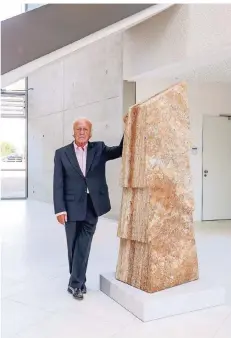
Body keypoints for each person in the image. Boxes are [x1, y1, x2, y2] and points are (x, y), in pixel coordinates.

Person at [53, 118, 123, 300]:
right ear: (73, 132)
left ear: (90, 133)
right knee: (73, 247)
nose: (82, 132)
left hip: (92, 205)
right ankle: (78, 281)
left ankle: (75, 284)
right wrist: (59, 209)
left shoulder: (99, 149)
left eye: (85, 129)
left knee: (83, 245)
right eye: (78, 129)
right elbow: (58, 184)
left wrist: (129, 126)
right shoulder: (61, 153)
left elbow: (121, 150)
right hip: (70, 207)